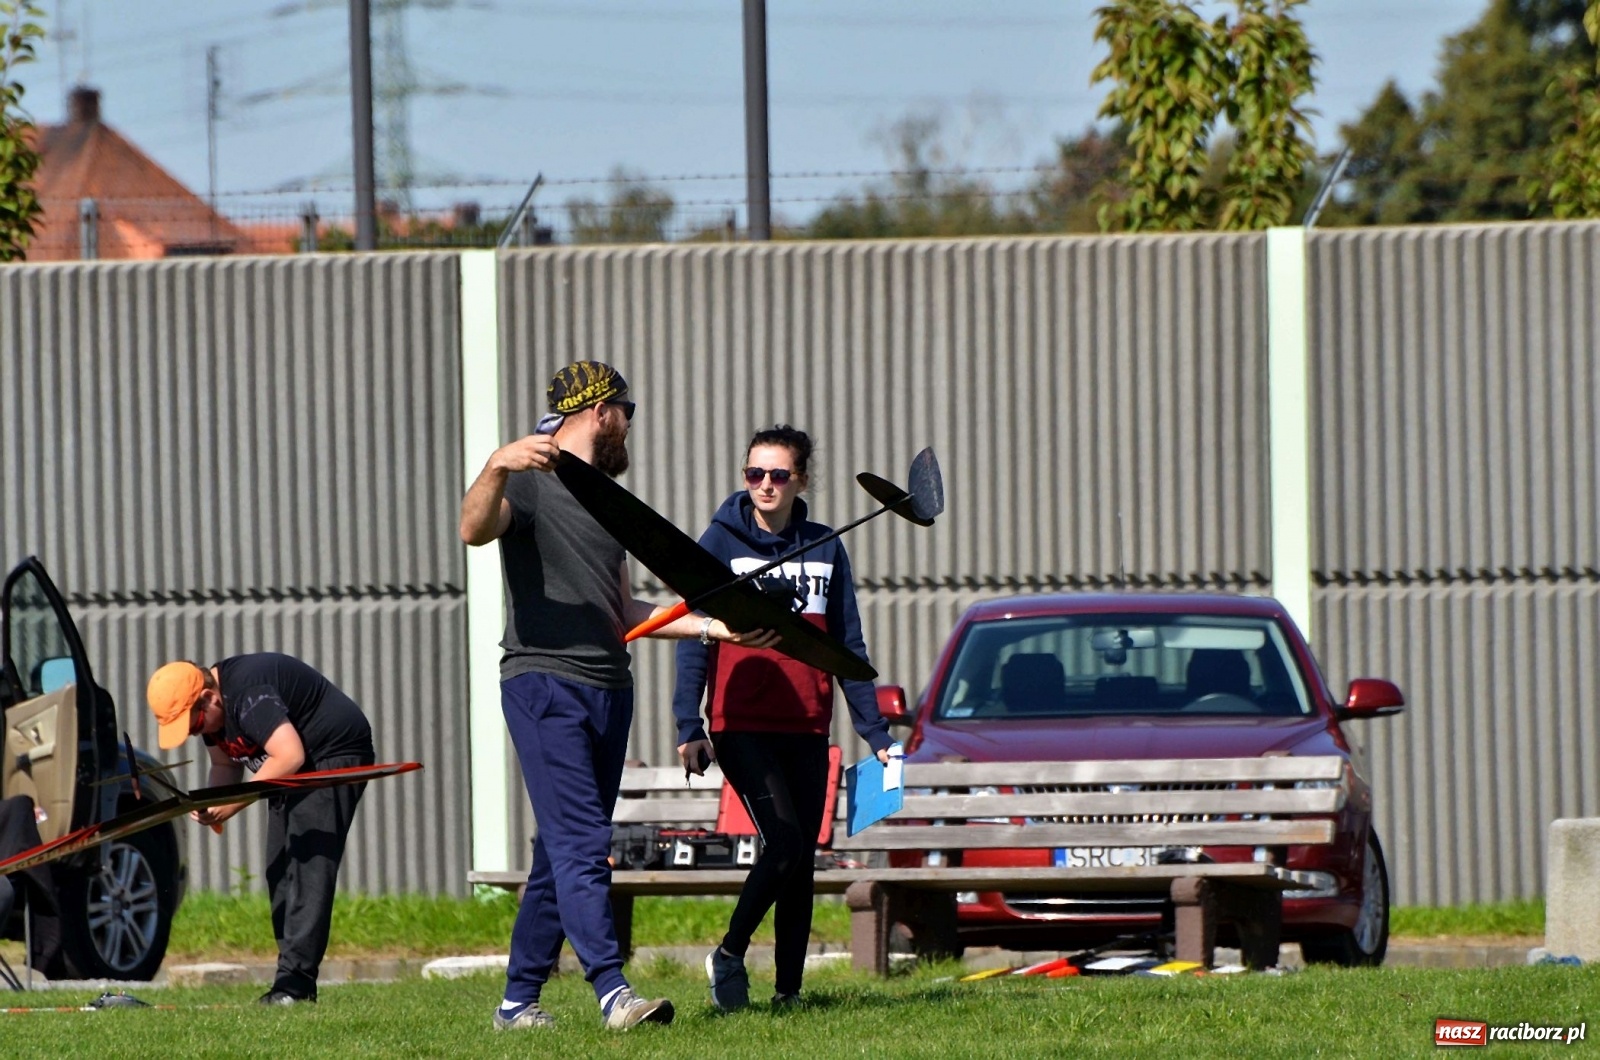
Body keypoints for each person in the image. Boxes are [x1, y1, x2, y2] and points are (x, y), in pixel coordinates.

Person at [458, 359, 777, 1033]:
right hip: (546, 684)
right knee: (581, 844)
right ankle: (612, 991)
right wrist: (494, 465)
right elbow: (473, 529)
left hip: (610, 687)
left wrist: (720, 627)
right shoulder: (534, 485)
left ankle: (516, 1003)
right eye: (627, 411)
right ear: (601, 410)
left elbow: (624, 607)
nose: (631, 423)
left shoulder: (607, 502)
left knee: (559, 851)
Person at [672, 424, 895, 1012]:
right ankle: (729, 952)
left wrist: (874, 733)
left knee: (801, 864)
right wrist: (686, 726)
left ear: (800, 479)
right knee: (786, 840)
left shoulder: (825, 545)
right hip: (739, 722)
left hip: (807, 723)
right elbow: (692, 637)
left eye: (777, 475)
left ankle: (788, 993)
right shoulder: (719, 543)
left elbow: (847, 644)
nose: (764, 485)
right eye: (754, 474)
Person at [145, 653, 375, 1005]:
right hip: (299, 764)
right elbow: (224, 765)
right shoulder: (213, 712)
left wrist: (232, 803)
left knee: (307, 867)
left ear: (208, 697)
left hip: (331, 753)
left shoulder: (249, 695)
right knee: (279, 869)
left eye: (194, 725)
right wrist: (210, 804)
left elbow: (288, 755)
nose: (196, 732)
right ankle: (291, 981)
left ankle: (294, 986)